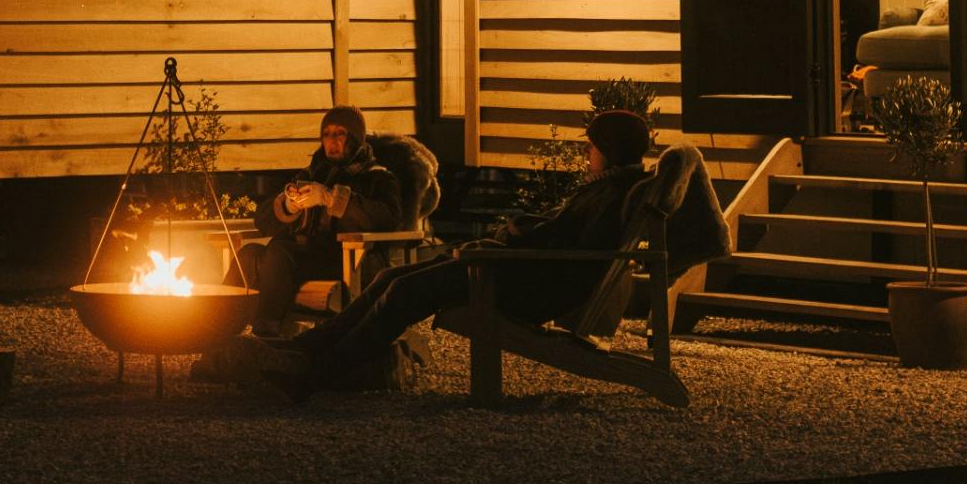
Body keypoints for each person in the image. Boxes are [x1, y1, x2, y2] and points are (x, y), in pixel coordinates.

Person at [282, 107, 715, 393]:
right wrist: (515, 233)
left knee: (403, 291)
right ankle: (309, 349)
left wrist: (507, 237)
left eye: (593, 145)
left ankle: (319, 372)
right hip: (515, 270)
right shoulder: (609, 188)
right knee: (391, 276)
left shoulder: (611, 197)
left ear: (610, 151)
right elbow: (559, 233)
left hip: (521, 283)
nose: (587, 152)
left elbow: (561, 245)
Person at [239, 106, 406, 337]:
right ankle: (220, 329)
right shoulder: (311, 173)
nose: (332, 141)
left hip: (348, 263)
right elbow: (262, 220)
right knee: (248, 255)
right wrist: (289, 206)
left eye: (340, 133)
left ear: (355, 138)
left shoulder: (377, 177)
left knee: (279, 252)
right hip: (301, 260)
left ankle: (267, 335)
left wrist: (330, 198)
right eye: (326, 134)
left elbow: (388, 218)